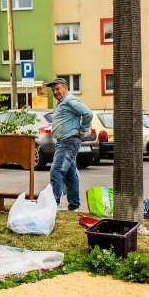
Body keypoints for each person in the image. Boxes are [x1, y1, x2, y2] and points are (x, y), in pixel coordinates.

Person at [45, 77, 93, 210]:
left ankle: (53, 205)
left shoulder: (69, 100)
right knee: (71, 174)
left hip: (68, 141)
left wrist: (83, 130)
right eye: (53, 90)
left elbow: (88, 114)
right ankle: (74, 206)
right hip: (64, 141)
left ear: (65, 88)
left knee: (56, 171)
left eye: (57, 88)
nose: (55, 92)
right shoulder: (62, 102)